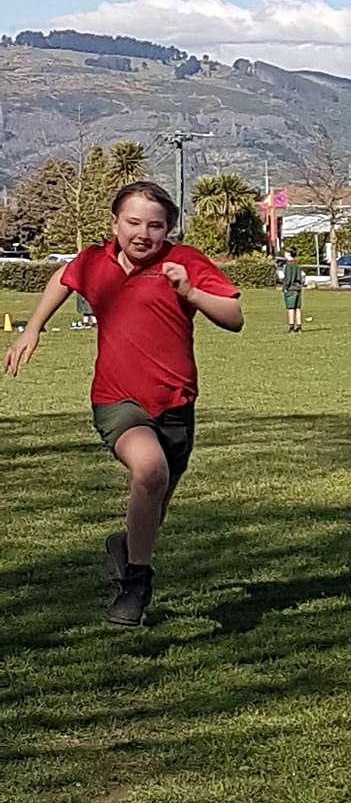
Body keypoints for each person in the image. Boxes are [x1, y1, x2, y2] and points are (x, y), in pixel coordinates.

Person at [3, 180, 243, 626]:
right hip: (118, 400)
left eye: (155, 226)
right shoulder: (95, 261)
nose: (142, 234)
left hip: (176, 403)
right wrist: (33, 327)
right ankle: (136, 583)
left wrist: (191, 293)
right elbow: (64, 276)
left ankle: (126, 548)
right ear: (115, 223)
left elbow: (235, 318)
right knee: (150, 470)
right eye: (133, 222)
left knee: (154, 505)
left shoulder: (184, 262)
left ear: (168, 229)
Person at [275, 246, 305, 333]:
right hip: (298, 288)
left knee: (290, 308)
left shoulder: (288, 265)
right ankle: (299, 326)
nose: (284, 254)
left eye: (285, 252)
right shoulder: (297, 264)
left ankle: (291, 326)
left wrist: (285, 287)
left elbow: (288, 278)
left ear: (288, 254)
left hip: (291, 288)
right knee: (297, 308)